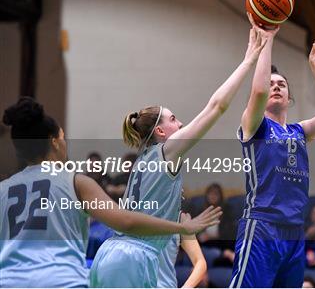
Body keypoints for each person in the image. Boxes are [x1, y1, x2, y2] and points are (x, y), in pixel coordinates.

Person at [89, 26, 267, 287]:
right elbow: (217, 106)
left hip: (110, 253)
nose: (181, 123)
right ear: (160, 131)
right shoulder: (167, 150)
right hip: (134, 256)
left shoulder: (143, 160)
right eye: (173, 119)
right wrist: (249, 60)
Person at [0, 97, 221, 288]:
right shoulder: (75, 182)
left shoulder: (2, 190)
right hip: (62, 280)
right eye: (64, 137)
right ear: (54, 142)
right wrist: (181, 227)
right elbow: (125, 222)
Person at [229, 14, 315, 287]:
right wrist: (267, 41)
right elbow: (257, 93)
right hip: (261, 226)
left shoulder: (298, 131)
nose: (276, 86)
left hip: (294, 232)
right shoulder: (254, 124)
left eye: (282, 84)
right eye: (271, 84)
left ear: (289, 97)